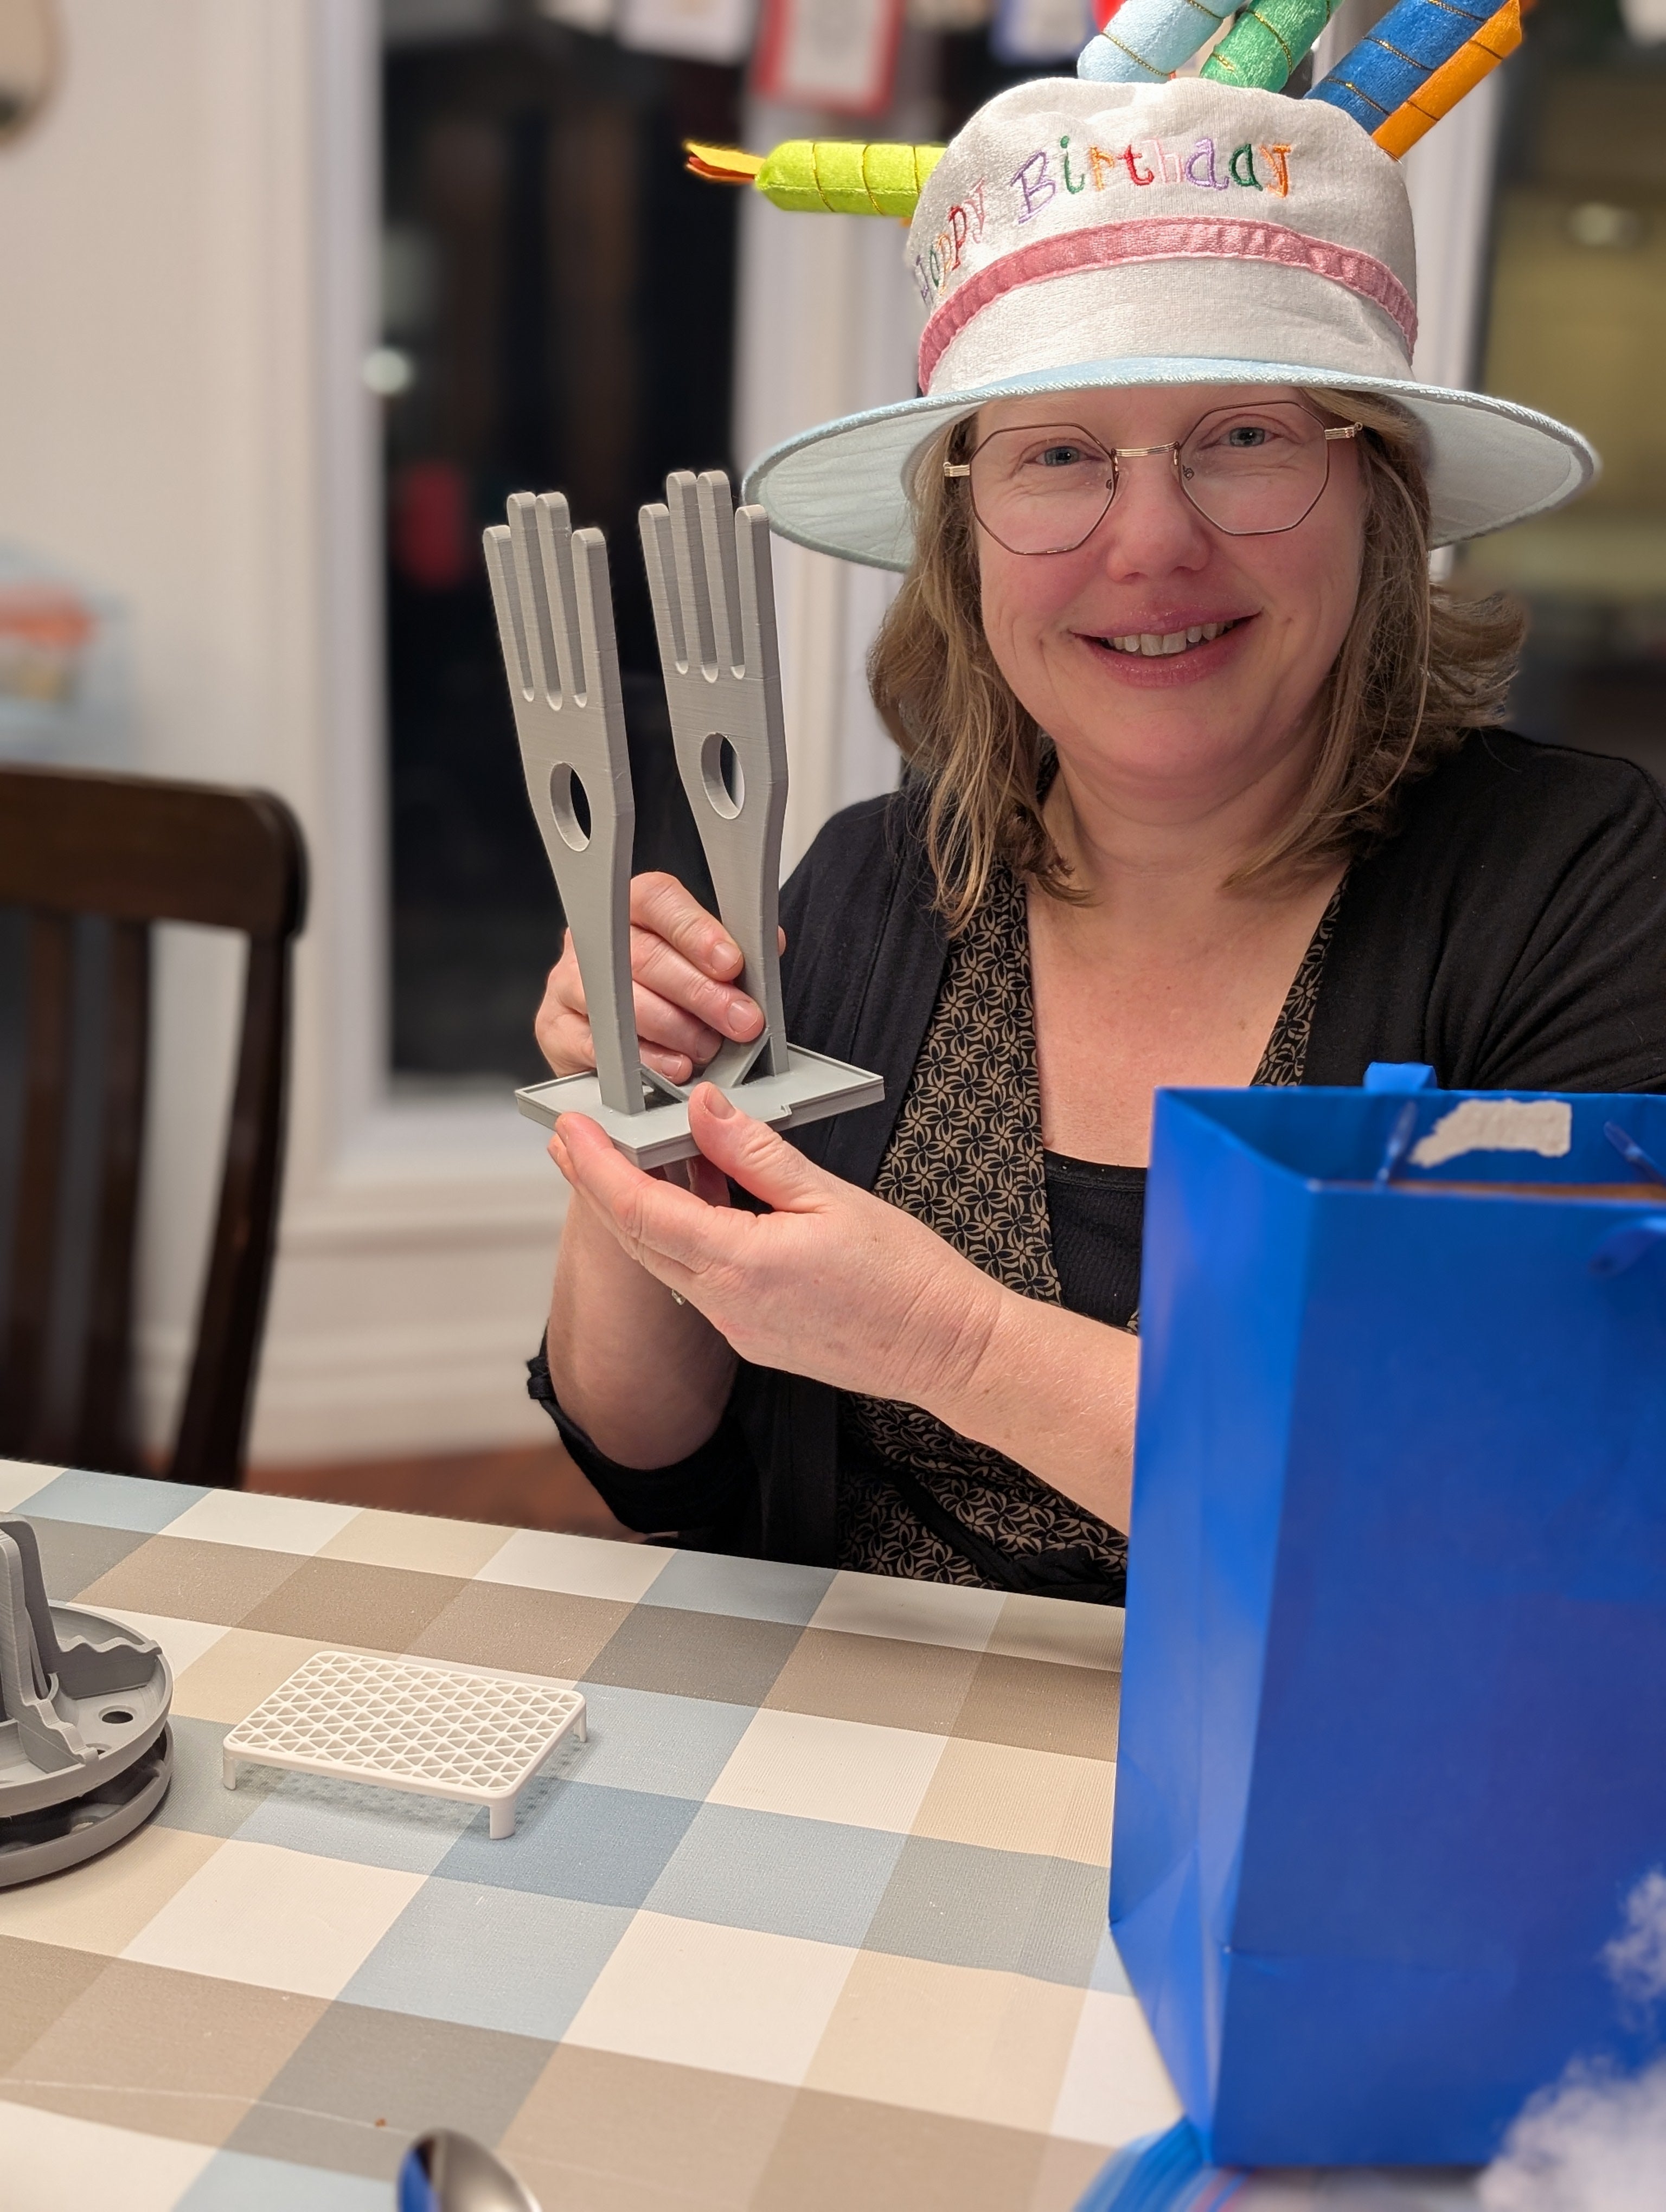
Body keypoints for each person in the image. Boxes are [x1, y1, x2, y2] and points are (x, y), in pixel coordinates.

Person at [525, 76, 1666, 1602]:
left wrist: (954, 1343)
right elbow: (651, 1457)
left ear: (1379, 497)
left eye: (1245, 437)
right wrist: (634, 1128)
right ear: (966, 537)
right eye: (1057, 456)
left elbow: (1520, 1526)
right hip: (859, 1770)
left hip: (1326, 1796)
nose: (1149, 544)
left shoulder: (1573, 892)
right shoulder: (869, 886)